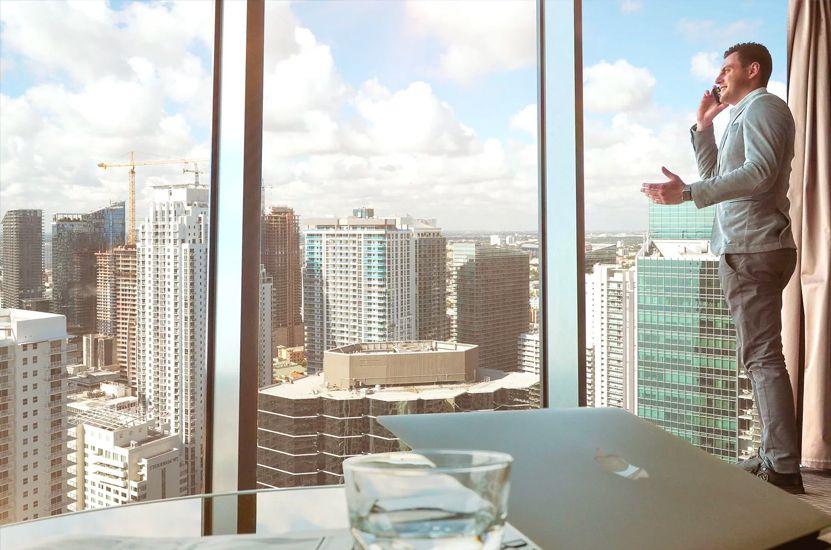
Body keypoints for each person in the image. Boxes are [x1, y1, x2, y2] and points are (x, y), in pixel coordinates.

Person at [640, 42, 802, 494]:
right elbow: (718, 177)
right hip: (744, 245)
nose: (719, 77)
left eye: (727, 68)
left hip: (753, 247)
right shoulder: (740, 116)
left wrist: (688, 193)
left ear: (753, 70)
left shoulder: (765, 107)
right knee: (757, 356)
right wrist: (705, 125)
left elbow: (761, 173)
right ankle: (774, 455)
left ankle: (784, 467)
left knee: (763, 358)